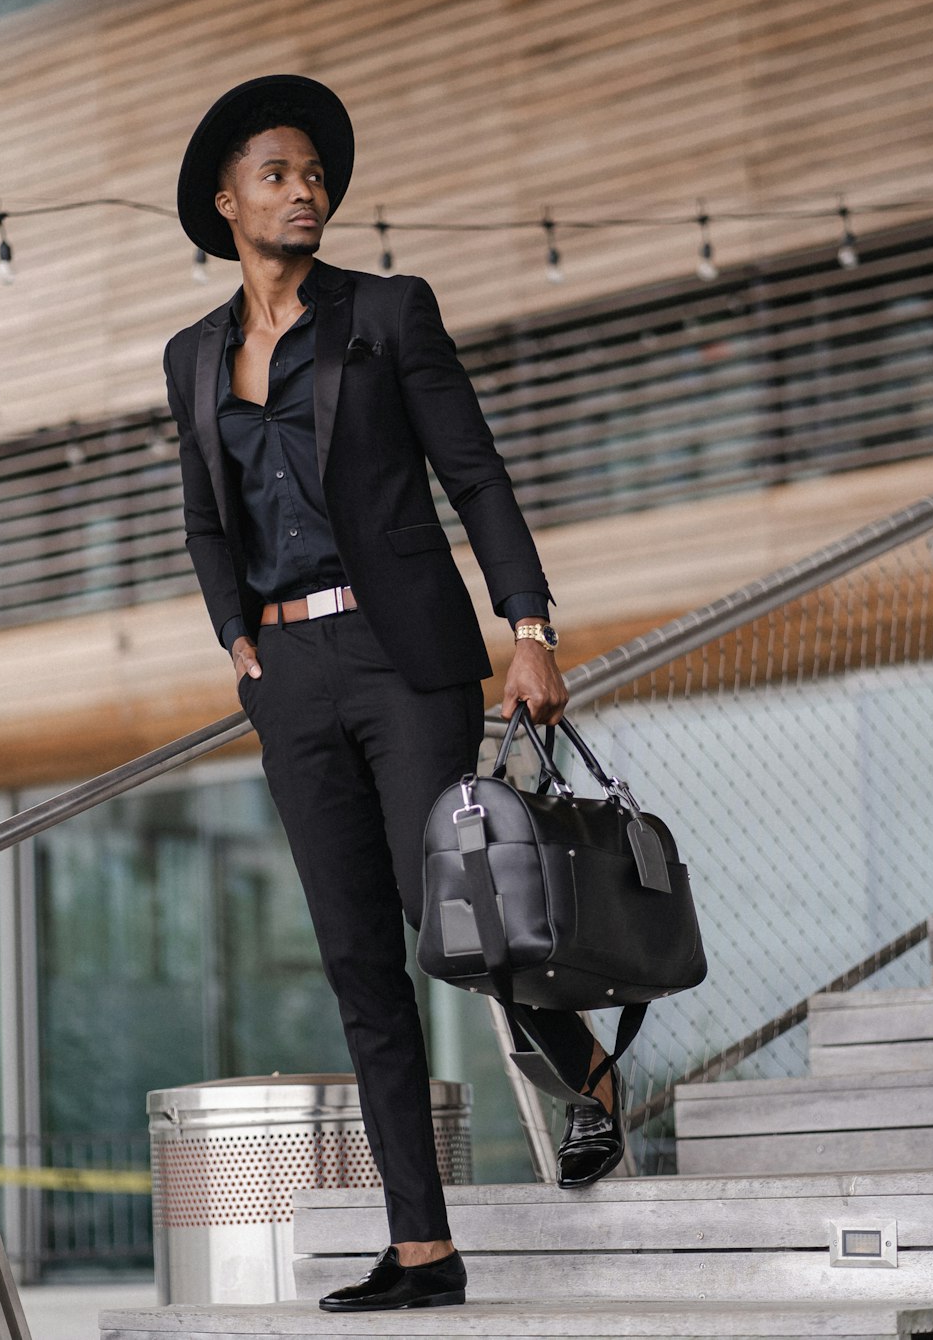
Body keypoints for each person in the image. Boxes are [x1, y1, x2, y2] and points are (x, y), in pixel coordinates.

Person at [166, 75, 624, 1314]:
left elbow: (474, 476)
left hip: (404, 654)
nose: (304, 189)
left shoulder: (386, 312)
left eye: (314, 173)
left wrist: (526, 628)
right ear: (225, 200)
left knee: (457, 922)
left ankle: (588, 1068)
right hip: (291, 675)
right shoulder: (193, 355)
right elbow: (207, 516)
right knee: (358, 961)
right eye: (278, 173)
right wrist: (234, 634)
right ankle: (422, 1247)